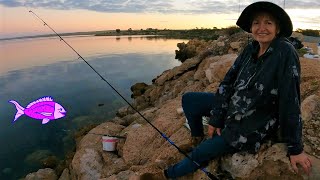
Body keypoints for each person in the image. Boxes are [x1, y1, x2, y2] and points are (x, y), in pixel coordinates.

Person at [140, 1, 312, 179]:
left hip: (252, 123)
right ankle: (197, 138)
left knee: (202, 153)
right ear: (251, 27)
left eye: (268, 23)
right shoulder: (251, 48)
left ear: (277, 28)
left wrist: (295, 148)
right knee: (189, 100)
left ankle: (166, 175)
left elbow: (290, 100)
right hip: (232, 107)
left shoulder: (285, 52)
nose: (261, 28)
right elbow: (228, 82)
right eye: (256, 23)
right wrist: (217, 117)